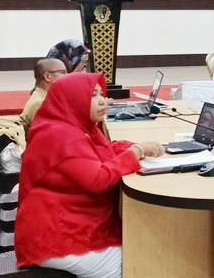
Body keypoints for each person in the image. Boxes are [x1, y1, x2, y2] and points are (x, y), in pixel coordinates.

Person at [15, 73, 164, 277]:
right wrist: (135, 152)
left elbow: (98, 151)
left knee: (144, 247)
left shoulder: (70, 126)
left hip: (63, 221)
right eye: (93, 95)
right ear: (73, 98)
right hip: (55, 235)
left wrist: (132, 148)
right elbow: (98, 178)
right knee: (137, 263)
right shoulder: (62, 137)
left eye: (101, 94)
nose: (103, 100)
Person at [19, 58, 68, 132]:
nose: (67, 75)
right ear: (47, 76)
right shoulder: (41, 103)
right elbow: (54, 134)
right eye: (63, 72)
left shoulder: (45, 97)